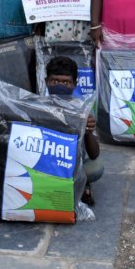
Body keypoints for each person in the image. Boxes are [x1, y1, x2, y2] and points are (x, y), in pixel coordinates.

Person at [45, 56, 102, 205]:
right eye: (55, 81)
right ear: (46, 81)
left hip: (72, 165)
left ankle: (80, 184)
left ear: (74, 84)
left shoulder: (83, 109)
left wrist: (88, 130)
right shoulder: (38, 105)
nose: (60, 86)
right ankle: (78, 187)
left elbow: (94, 154)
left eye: (66, 82)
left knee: (96, 169)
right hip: (45, 162)